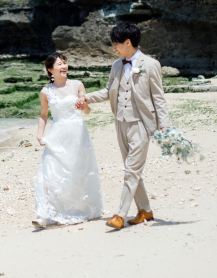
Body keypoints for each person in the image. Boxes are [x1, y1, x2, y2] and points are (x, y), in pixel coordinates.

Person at [75, 22, 170, 230]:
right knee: (131, 170)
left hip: (142, 124)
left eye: (116, 44)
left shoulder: (151, 64)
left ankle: (120, 215)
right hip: (120, 122)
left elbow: (158, 97)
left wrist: (164, 125)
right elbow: (109, 90)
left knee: (131, 170)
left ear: (128, 42)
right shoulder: (117, 65)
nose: (114, 48)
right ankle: (145, 210)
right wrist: (87, 98)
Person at [32, 52, 103, 229]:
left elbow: (87, 111)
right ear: (50, 70)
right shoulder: (45, 91)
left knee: (76, 173)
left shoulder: (78, 85)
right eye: (59, 64)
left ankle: (77, 209)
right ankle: (43, 214)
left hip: (77, 134)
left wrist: (84, 105)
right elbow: (43, 115)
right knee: (48, 172)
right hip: (57, 135)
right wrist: (40, 134)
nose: (64, 66)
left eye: (64, 63)